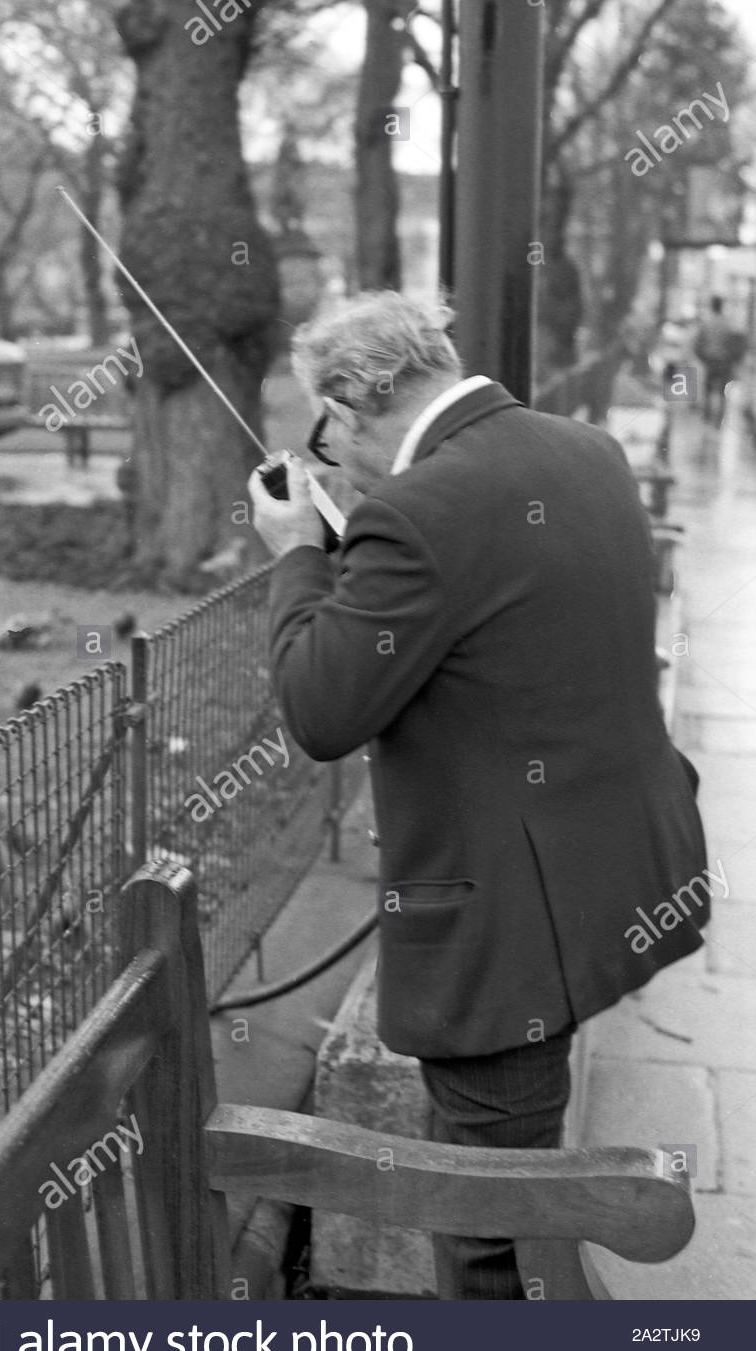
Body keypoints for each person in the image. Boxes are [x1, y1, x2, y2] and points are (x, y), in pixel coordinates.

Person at [248, 291, 710, 1300]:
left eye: (325, 431)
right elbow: (502, 621)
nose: (326, 454)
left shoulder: (420, 516)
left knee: (490, 1226)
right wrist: (365, 552)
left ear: (360, 400)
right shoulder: (578, 449)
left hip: (509, 931)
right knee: (508, 1171)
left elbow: (322, 710)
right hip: (613, 868)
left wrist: (297, 555)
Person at [694, 295, 746, 425]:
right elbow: (735, 341)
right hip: (723, 360)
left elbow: (698, 342)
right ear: (721, 306)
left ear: (712, 305)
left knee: (708, 388)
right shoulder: (727, 323)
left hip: (709, 359)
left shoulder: (706, 322)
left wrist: (701, 356)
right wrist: (733, 358)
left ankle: (706, 416)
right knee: (721, 390)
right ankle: (719, 418)